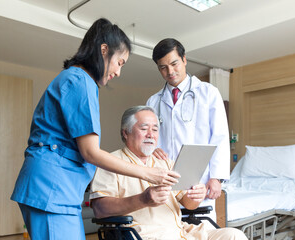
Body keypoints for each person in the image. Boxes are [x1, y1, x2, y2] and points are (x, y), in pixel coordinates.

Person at [10, 19, 179, 240]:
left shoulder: (76, 80)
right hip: (51, 188)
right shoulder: (80, 81)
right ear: (104, 50)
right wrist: (148, 173)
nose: (118, 72)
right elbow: (90, 152)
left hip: (57, 189)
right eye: (120, 62)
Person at [90, 106, 247, 240]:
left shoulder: (164, 162)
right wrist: (142, 199)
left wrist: (196, 195)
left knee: (234, 235)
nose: (151, 134)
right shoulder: (110, 162)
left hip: (182, 231)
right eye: (144, 129)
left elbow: (189, 204)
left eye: (155, 129)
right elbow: (100, 209)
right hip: (147, 235)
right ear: (125, 133)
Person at [146, 38, 230, 221]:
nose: (170, 71)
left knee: (201, 231)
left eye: (174, 63)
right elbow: (147, 139)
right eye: (163, 67)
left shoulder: (208, 93)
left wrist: (217, 178)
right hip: (166, 185)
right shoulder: (153, 102)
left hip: (199, 183)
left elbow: (220, 137)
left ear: (184, 59)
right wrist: (152, 150)